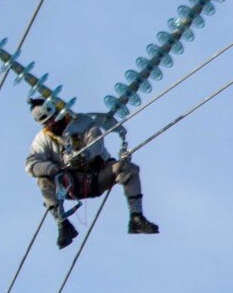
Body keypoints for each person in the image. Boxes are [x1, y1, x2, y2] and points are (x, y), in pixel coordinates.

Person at [24, 98, 159, 248]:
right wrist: (52, 169)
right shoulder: (43, 139)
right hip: (71, 183)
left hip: (97, 175)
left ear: (58, 112)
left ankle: (136, 218)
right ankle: (63, 225)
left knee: (129, 168)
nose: (51, 124)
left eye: (53, 119)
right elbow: (31, 163)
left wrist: (84, 155)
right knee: (43, 181)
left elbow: (96, 143)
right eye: (46, 122)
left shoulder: (83, 123)